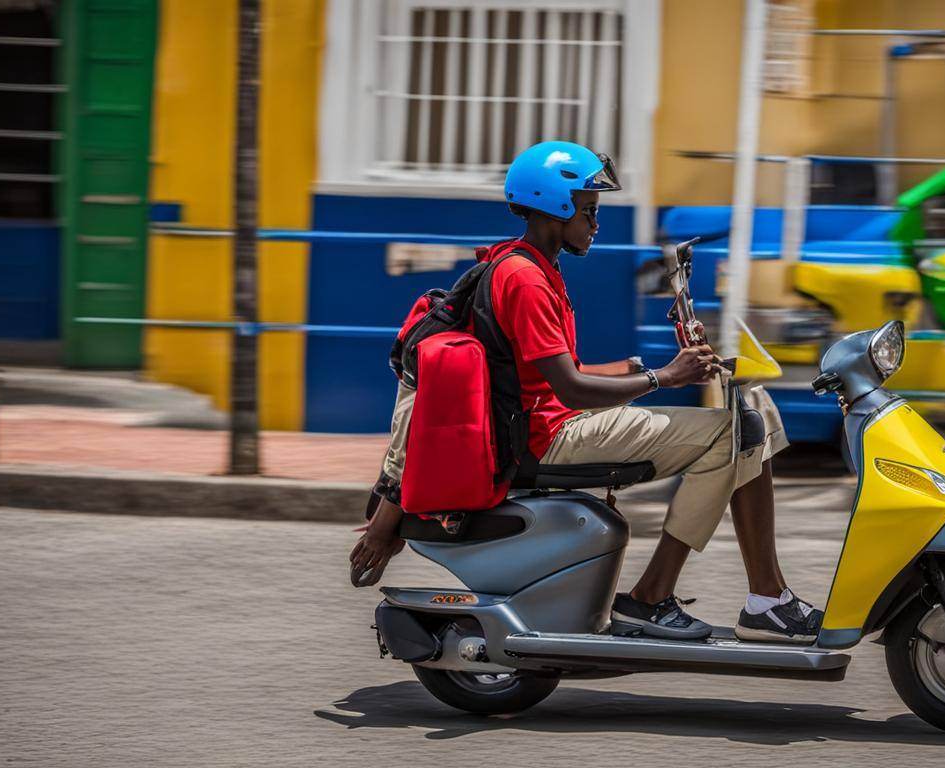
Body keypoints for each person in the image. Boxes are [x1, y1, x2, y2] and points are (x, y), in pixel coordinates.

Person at [350, 141, 821, 644]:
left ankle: (759, 598)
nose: (596, 224)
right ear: (557, 207)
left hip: (550, 423)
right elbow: (571, 389)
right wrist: (667, 378)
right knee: (737, 430)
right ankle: (672, 599)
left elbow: (558, 373)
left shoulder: (530, 266)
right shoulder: (526, 280)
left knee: (755, 411)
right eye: (590, 211)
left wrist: (649, 367)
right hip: (547, 438)